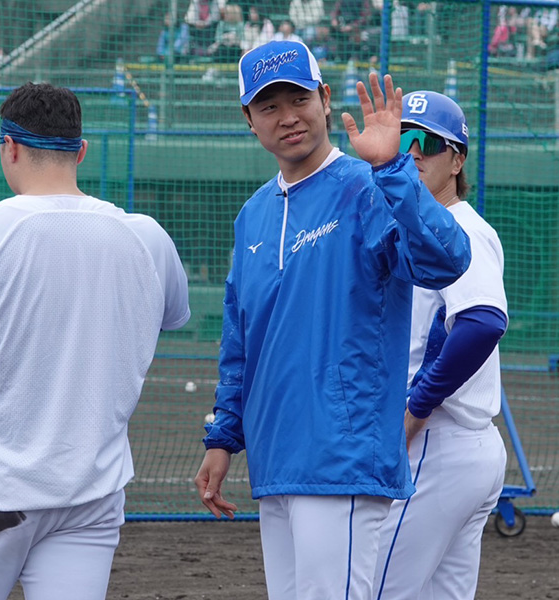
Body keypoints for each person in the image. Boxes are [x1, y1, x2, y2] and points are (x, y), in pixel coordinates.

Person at [0, 82, 190, 600]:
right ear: (81, 150)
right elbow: (172, 317)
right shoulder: (147, 236)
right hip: (90, 496)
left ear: (8, 148)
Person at [193, 40, 471, 599]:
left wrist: (393, 168)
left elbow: (447, 260)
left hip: (342, 461)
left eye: (298, 98)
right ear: (249, 120)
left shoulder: (369, 185)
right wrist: (224, 436)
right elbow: (240, 337)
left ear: (324, 99)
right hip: (275, 462)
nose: (287, 116)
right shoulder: (253, 214)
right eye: (268, 106)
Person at [372, 91, 508, 600]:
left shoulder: (460, 227)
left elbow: (481, 323)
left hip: (435, 444)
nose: (413, 151)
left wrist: (416, 406)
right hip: (467, 449)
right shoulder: (419, 227)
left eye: (428, 141)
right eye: (403, 137)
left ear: (457, 159)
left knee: (371, 589)